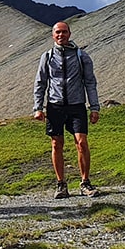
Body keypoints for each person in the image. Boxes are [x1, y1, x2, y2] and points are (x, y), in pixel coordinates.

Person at [33, 21, 101, 198]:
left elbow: (90, 82)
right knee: (56, 144)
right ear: (53, 35)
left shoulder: (81, 56)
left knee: (82, 142)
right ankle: (61, 184)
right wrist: (38, 107)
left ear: (69, 34)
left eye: (64, 32)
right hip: (55, 106)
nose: (61, 35)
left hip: (77, 105)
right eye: (57, 32)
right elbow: (40, 83)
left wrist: (94, 107)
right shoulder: (47, 57)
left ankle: (85, 183)